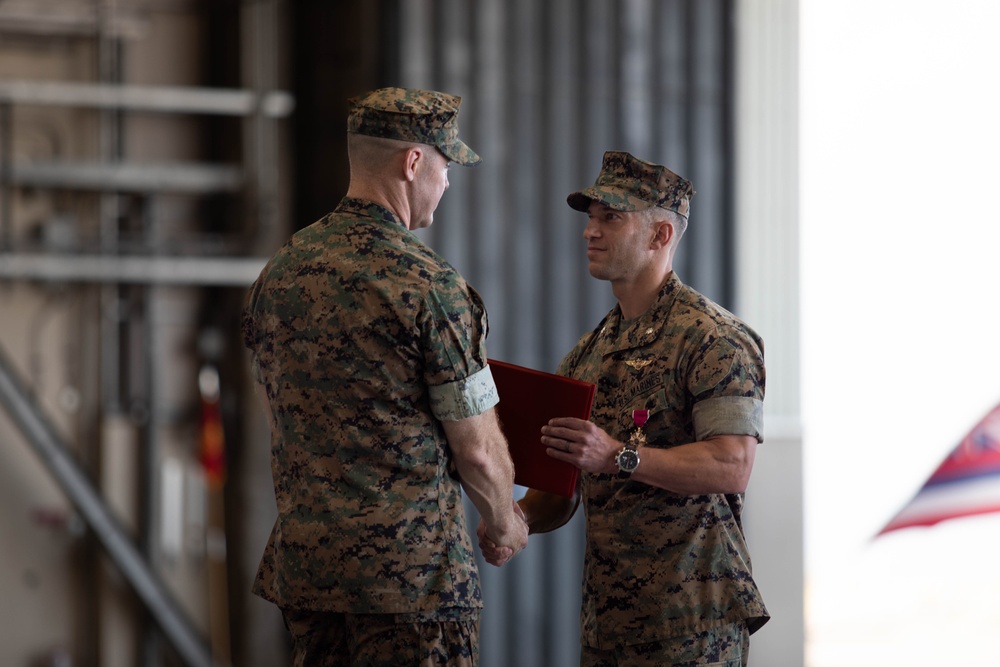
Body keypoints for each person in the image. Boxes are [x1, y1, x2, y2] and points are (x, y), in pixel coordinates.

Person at [242, 87, 528, 667]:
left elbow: (273, 408)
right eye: (445, 165)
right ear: (414, 162)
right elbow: (475, 449)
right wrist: (504, 522)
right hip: (410, 586)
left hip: (310, 576)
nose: (446, 183)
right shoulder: (430, 287)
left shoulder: (281, 272)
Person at [481, 151, 768, 666]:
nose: (590, 232)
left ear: (660, 235)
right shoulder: (588, 353)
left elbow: (732, 465)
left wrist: (618, 456)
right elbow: (561, 486)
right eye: (590, 218)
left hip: (692, 623)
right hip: (609, 623)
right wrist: (515, 518)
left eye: (611, 217)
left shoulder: (714, 339)